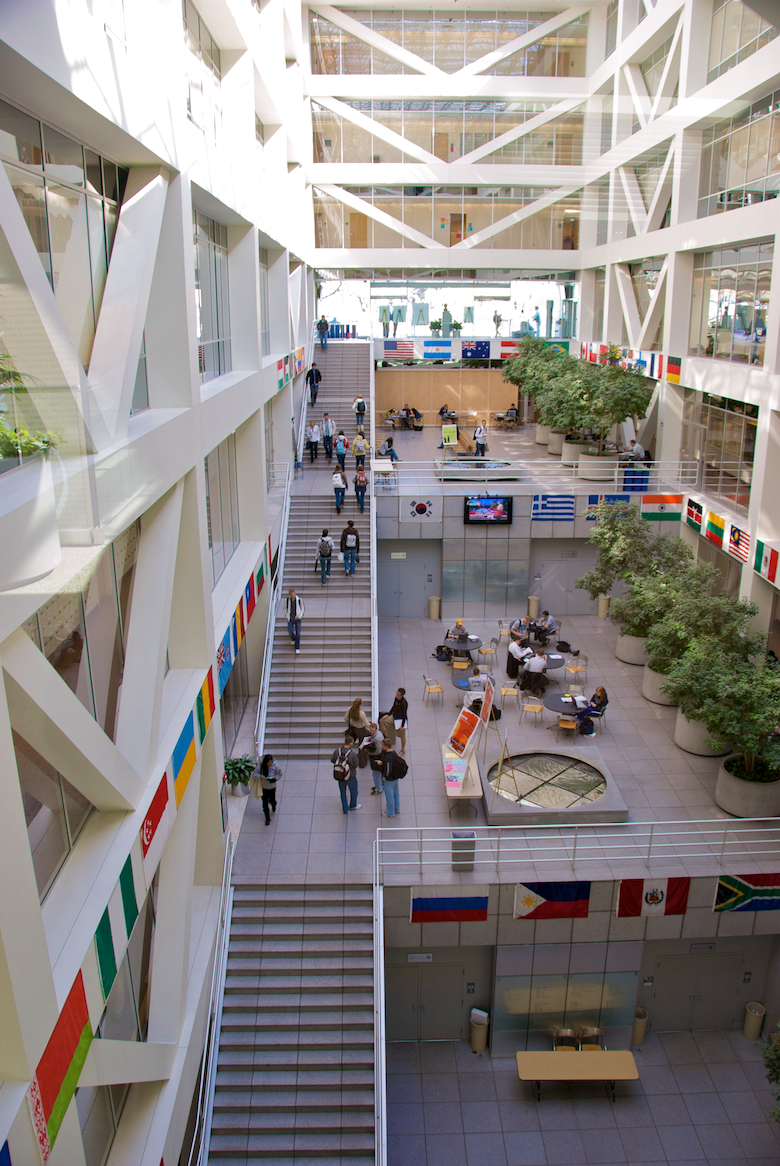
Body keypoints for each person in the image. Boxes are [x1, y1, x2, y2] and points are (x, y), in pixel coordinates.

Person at [331, 736, 361, 814]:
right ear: (351, 743)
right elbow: (356, 765)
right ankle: (353, 805)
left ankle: (345, 808)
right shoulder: (352, 754)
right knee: (354, 791)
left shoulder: (337, 751)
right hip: (350, 776)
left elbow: (333, 760)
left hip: (340, 775)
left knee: (343, 792)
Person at [250, 754, 282, 826]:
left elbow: (280, 775)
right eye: (268, 762)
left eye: (270, 762)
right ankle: (267, 818)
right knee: (264, 803)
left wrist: (275, 777)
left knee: (272, 800)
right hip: (263, 788)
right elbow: (254, 774)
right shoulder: (261, 766)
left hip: (272, 787)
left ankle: (274, 804)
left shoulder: (275, 766)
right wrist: (260, 776)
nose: (269, 764)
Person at [381, 738, 402, 817]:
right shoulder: (394, 753)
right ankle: (397, 808)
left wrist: (384, 776)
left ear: (385, 746)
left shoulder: (388, 757)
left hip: (389, 779)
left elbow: (388, 769)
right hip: (395, 777)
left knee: (389, 796)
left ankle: (390, 812)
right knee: (396, 794)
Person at [365, 722, 385, 795]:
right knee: (378, 774)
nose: (371, 732)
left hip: (377, 758)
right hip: (380, 756)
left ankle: (378, 789)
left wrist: (369, 753)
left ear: (376, 729)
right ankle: (379, 785)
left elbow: (378, 751)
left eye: (373, 730)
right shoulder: (378, 733)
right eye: (370, 730)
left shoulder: (377, 738)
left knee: (376, 774)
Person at [387, 687, 408, 755]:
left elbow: (404, 714)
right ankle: (387, 736)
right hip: (394, 717)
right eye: (396, 693)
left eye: (398, 694)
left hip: (400, 720)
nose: (396, 694)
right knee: (382, 721)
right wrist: (388, 715)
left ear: (401, 695)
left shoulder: (404, 703)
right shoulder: (396, 699)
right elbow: (393, 707)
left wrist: (402, 726)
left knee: (402, 736)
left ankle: (402, 749)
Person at [285, 588, 304, 653]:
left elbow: (302, 608)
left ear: (295, 593)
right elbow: (285, 608)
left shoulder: (299, 600)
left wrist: (300, 616)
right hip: (291, 618)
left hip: (297, 618)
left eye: (293, 594)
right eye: (291, 594)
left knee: (298, 633)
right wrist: (287, 616)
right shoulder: (287, 600)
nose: (292, 595)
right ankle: (293, 638)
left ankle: (297, 647)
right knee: (290, 631)